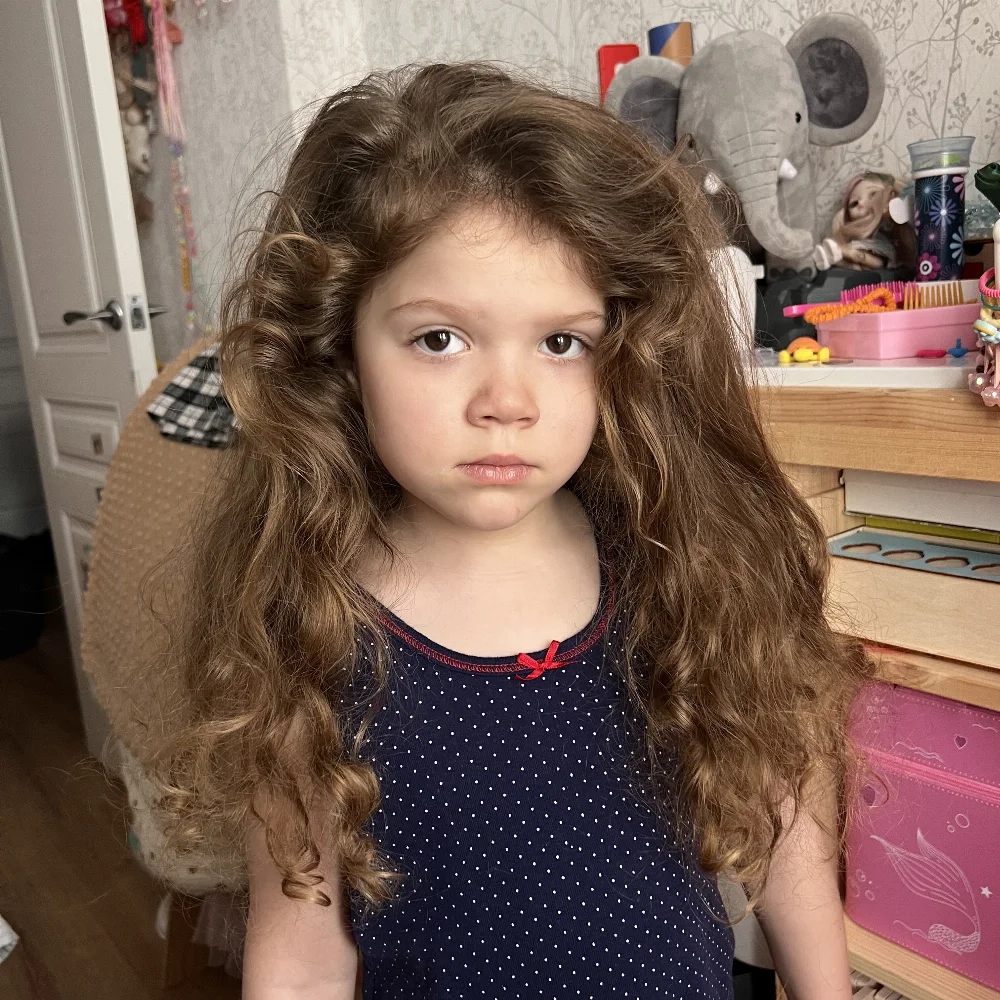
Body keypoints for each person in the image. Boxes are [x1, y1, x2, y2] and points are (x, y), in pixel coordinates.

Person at [152, 63, 873, 999]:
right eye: (439, 339)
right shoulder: (308, 629)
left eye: (561, 342)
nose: (507, 402)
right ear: (338, 345)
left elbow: (785, 828)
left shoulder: (674, 564)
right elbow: (300, 958)